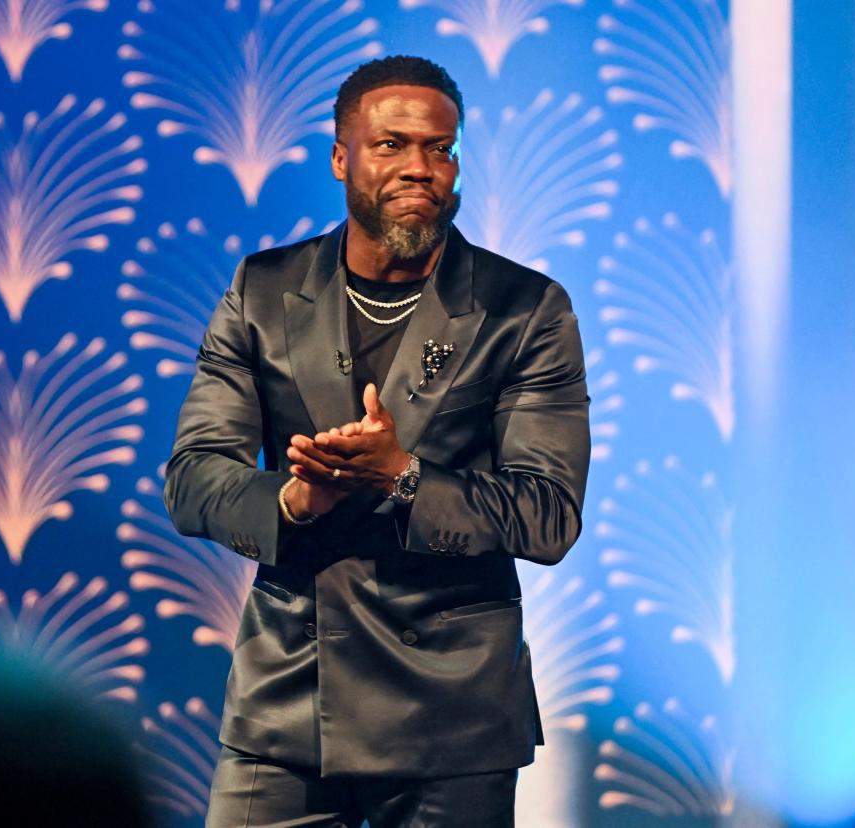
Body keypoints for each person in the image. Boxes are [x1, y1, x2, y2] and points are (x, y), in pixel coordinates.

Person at [163, 55, 590, 826]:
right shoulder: (261, 291)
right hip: (289, 700)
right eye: (392, 145)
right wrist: (293, 499)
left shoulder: (523, 309)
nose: (420, 168)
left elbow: (549, 515)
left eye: (440, 149)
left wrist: (402, 477)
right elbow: (194, 479)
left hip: (453, 717)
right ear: (341, 157)